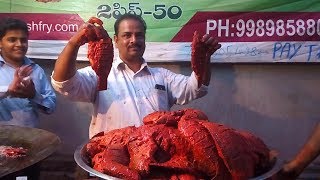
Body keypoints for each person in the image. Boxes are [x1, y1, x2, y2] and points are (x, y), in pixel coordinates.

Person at [51, 13, 221, 138]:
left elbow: (195, 88)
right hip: (109, 156)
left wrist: (204, 58)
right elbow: (64, 83)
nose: (134, 40)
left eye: (139, 35)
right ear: (116, 40)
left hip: (155, 158)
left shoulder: (161, 76)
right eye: (127, 35)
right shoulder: (99, 74)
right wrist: (73, 44)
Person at [0, 17, 56, 179]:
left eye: (23, 40)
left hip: (30, 147)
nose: (19, 44)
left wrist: (34, 95)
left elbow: (51, 105)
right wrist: (8, 91)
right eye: (12, 39)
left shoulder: (36, 70)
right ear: (0, 43)